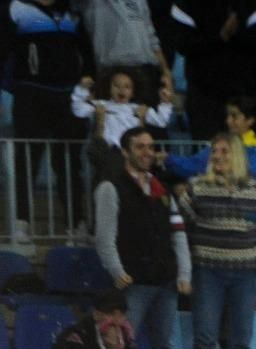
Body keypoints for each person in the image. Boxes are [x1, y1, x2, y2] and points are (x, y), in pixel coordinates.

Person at [176, 133, 256, 349]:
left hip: (244, 274)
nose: (217, 156)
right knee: (205, 341)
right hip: (207, 271)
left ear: (236, 155)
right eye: (214, 151)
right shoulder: (196, 188)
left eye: (224, 151)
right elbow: (179, 229)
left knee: (241, 343)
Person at [94, 127, 191, 349]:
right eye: (140, 147)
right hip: (133, 282)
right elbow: (104, 237)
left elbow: (178, 233)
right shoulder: (110, 187)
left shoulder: (163, 190)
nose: (148, 152)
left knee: (165, 348)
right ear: (125, 152)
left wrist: (184, 273)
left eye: (151, 147)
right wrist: (116, 271)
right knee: (121, 344)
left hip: (165, 281)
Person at [5, 0, 92, 246]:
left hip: (68, 97)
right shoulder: (16, 8)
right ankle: (22, 224)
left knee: (68, 162)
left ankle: (77, 225)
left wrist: (88, 79)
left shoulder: (73, 13)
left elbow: (86, 52)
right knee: (28, 160)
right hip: (30, 94)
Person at [170, 0, 256, 142]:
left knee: (250, 152)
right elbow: (183, 44)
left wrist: (237, 33)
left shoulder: (249, 3)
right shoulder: (186, 4)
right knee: (208, 151)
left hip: (243, 92)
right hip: (205, 96)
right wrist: (220, 36)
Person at [72, 71, 174, 183]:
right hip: (107, 154)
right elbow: (78, 110)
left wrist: (165, 102)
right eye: (116, 86)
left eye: (127, 87)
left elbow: (161, 120)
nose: (121, 90)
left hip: (131, 156)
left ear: (133, 92)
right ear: (109, 88)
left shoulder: (138, 109)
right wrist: (81, 89)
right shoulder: (101, 105)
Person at [79, 0, 173, 107]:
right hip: (113, 73)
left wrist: (165, 71)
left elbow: (151, 37)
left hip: (148, 73)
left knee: (149, 121)